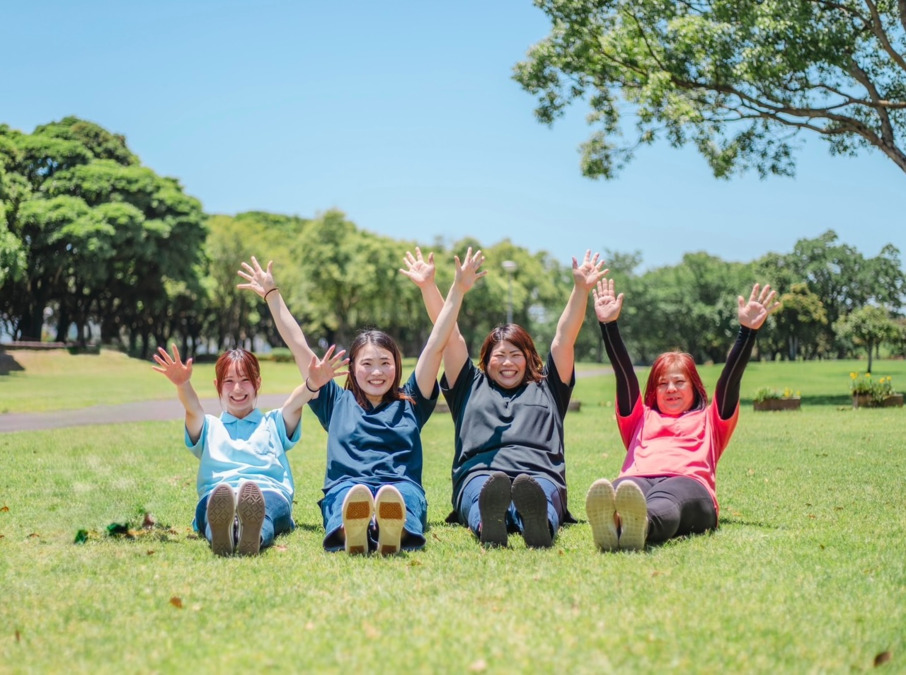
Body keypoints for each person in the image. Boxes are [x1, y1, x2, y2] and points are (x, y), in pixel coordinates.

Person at [237, 249, 484, 555]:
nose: (377, 372)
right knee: (347, 498)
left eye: (385, 362)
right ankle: (354, 527)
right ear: (352, 367)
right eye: (367, 364)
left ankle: (391, 527)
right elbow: (297, 341)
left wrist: (456, 291)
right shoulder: (334, 399)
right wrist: (272, 294)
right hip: (348, 487)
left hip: (399, 486)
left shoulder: (412, 399)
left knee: (401, 497)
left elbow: (436, 344)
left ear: (397, 365)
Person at [403, 248, 607, 548]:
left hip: (540, 475)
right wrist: (430, 287)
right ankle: (488, 522)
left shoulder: (549, 387)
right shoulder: (469, 384)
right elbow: (449, 336)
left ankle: (540, 524)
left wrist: (580, 290)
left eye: (516, 355)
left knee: (540, 493)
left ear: (529, 358)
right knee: (480, 492)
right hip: (480, 475)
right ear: (486, 359)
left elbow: (564, 338)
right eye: (500, 356)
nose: (508, 363)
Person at [585, 278, 781, 551]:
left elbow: (730, 380)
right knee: (625, 487)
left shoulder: (712, 419)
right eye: (662, 383)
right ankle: (615, 522)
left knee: (668, 497)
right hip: (638, 479)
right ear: (653, 390)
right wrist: (609, 326)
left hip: (689, 484)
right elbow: (624, 374)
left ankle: (640, 526)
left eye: (679, 382)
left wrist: (747, 333)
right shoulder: (639, 416)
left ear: (694, 386)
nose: (670, 389)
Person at [152, 344, 345, 556]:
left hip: (269, 492)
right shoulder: (208, 426)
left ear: (257, 383)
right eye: (229, 382)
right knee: (210, 509)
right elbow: (193, 408)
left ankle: (253, 535)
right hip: (218, 493)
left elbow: (294, 402)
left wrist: (312, 385)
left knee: (266, 510)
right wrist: (183, 384)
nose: (238, 389)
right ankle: (222, 534)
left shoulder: (273, 422)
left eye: (245, 380)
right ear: (217, 385)